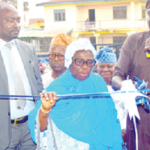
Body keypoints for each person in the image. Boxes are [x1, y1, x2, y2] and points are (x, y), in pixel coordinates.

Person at [28, 38, 122, 150]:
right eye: (79, 61)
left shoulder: (98, 82)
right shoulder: (56, 88)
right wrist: (45, 110)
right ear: (69, 61)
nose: (85, 66)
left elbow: (111, 116)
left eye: (90, 62)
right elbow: (40, 128)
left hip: (99, 145)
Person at [0, 3, 43, 150]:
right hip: (4, 130)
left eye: (18, 20)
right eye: (10, 20)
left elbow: (38, 85)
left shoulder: (28, 49)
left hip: (29, 127)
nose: (16, 25)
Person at [111, 1, 150, 149]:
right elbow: (116, 77)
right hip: (139, 120)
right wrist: (126, 85)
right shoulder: (133, 41)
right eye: (149, 13)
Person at [96, 46, 127, 149]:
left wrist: (124, 130)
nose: (105, 70)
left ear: (116, 67)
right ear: (96, 67)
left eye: (110, 66)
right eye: (101, 66)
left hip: (121, 139)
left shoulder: (123, 86)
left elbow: (127, 111)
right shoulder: (92, 88)